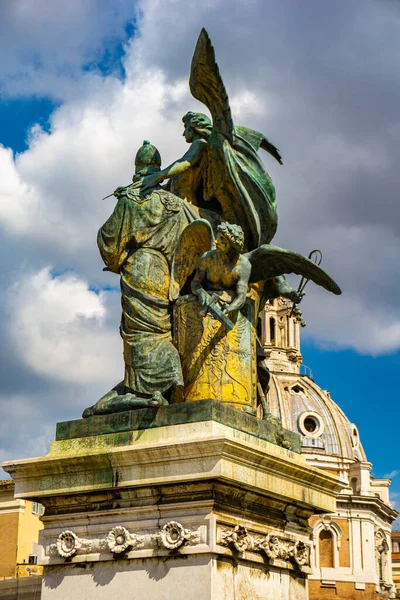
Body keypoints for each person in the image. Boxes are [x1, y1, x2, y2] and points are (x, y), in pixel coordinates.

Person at [83, 141, 198, 417]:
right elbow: (194, 238)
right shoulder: (176, 205)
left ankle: (142, 390)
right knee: (160, 329)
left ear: (137, 170)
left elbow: (110, 239)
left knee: (139, 333)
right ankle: (164, 382)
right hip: (165, 273)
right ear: (158, 169)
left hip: (139, 269)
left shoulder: (131, 199)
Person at [191, 222, 251, 316]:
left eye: (222, 239)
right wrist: (201, 292)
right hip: (205, 301)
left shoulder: (243, 265)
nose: (216, 242)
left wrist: (228, 310)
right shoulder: (207, 258)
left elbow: (241, 297)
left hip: (229, 304)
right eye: (217, 237)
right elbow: (195, 283)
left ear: (233, 244)